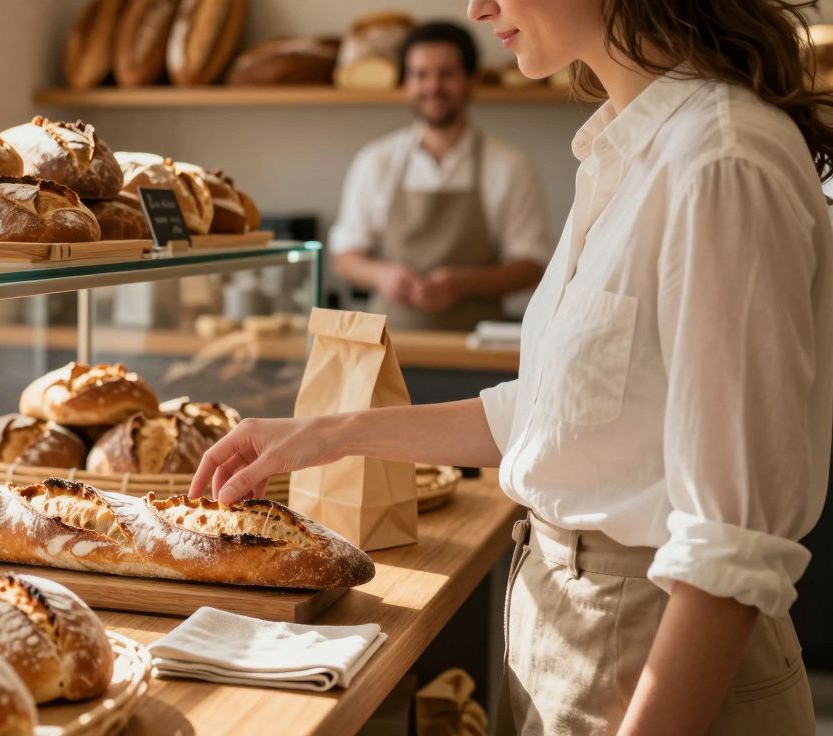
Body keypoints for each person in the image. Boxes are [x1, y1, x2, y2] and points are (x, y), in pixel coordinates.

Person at [192, 1, 833, 733]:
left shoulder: (721, 160)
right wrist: (322, 433)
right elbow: (554, 418)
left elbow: (729, 548)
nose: (477, 6)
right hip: (573, 630)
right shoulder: (624, 156)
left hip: (654, 653)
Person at [330, 21, 550, 331]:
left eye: (446, 74)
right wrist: (384, 276)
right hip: (389, 343)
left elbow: (532, 267)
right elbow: (345, 258)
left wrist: (464, 283)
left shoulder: (510, 165)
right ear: (406, 83)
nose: (433, 87)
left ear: (472, 81)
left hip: (478, 349)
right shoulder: (375, 161)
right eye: (420, 75)